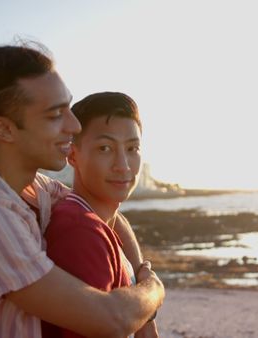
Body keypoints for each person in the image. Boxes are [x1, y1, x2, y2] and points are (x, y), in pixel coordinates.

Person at [0, 43, 164, 338]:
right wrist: (152, 289)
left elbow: (108, 215)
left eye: (68, 108)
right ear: (4, 129)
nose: (73, 126)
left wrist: (139, 268)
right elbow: (110, 318)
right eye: (55, 115)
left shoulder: (28, 186)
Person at [41, 92, 158, 338]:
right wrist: (152, 291)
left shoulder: (94, 218)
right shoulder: (80, 231)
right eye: (105, 148)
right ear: (73, 155)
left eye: (132, 148)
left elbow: (118, 222)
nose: (123, 165)